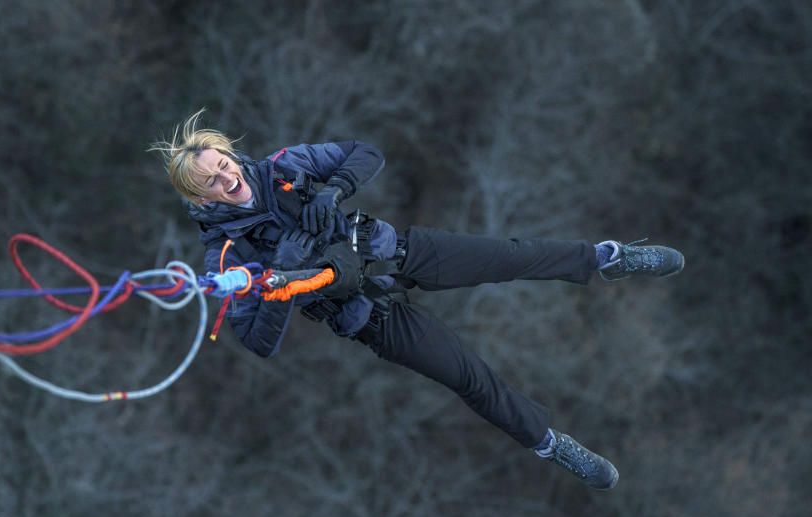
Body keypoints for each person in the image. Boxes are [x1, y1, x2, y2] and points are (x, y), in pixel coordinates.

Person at [150, 109, 685, 490]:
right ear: (199, 198)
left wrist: (334, 189)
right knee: (467, 377)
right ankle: (548, 442)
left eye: (224, 164)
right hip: (370, 316)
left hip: (397, 253)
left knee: (512, 256)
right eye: (213, 182)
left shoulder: (284, 167)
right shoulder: (225, 254)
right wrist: (282, 274)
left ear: (230, 154)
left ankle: (608, 258)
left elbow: (367, 153)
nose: (227, 178)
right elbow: (257, 340)